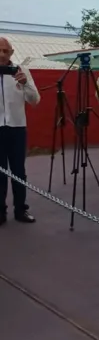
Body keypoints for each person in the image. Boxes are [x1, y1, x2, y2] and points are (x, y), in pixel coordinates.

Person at [0, 37, 39, 226]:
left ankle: (21, 209)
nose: (2, 55)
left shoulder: (22, 71)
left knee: (18, 171)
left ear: (12, 53)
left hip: (17, 128)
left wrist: (25, 83)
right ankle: (0, 212)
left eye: (5, 51)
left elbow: (35, 100)